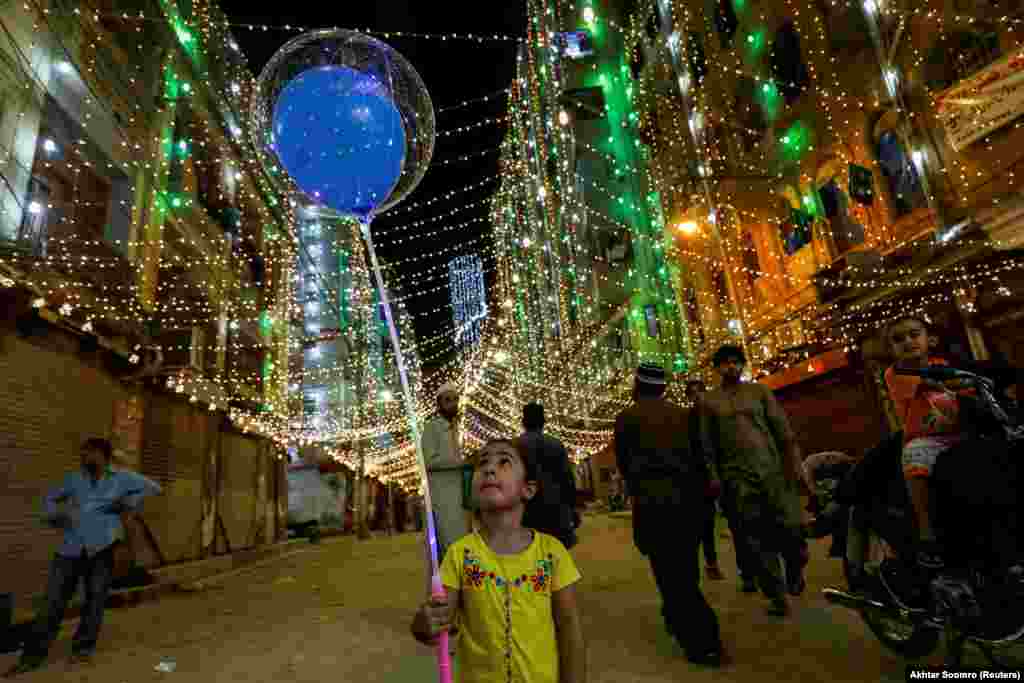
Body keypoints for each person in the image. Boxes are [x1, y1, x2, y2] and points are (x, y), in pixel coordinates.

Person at [411, 439, 586, 683]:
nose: (489, 469)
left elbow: (568, 628)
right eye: (482, 463)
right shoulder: (460, 554)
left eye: (504, 462)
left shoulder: (552, 553)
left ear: (528, 489)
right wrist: (424, 624)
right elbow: (440, 620)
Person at [5, 438, 162, 677]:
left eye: (90, 454)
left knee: (95, 601)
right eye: (83, 454)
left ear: (103, 455)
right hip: (70, 549)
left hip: (102, 549)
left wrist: (127, 504)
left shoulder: (122, 478)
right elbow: (50, 497)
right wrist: (55, 515)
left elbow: (154, 487)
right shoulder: (73, 479)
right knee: (52, 604)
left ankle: (83, 648)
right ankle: (33, 656)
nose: (85, 458)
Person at [615, 363, 723, 666]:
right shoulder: (684, 415)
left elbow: (624, 465)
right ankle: (678, 620)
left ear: (637, 385)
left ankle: (703, 640)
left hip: (654, 506)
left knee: (671, 576)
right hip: (689, 503)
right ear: (663, 387)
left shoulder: (626, 418)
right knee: (685, 571)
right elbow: (702, 456)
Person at [699, 345, 813, 617]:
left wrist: (795, 465)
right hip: (737, 478)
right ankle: (776, 595)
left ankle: (795, 569)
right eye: (725, 364)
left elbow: (782, 431)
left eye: (736, 362)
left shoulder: (760, 392)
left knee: (792, 529)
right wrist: (713, 476)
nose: (731, 368)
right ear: (716, 369)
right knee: (756, 539)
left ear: (742, 365)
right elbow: (707, 444)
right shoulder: (708, 402)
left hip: (773, 472)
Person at [883, 316, 970, 601]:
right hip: (925, 438)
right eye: (898, 339)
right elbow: (920, 385)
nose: (908, 341)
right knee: (915, 457)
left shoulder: (944, 366)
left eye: (914, 334)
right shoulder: (895, 374)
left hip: (959, 435)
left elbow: (966, 390)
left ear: (929, 339)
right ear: (892, 349)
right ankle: (927, 533)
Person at [422, 383, 473, 563]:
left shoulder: (456, 428)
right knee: (447, 544)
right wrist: (460, 464)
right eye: (447, 400)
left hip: (458, 495)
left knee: (462, 544)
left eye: (455, 400)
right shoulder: (431, 428)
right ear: (439, 404)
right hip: (441, 496)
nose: (452, 404)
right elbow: (428, 462)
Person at [521, 402, 580, 550]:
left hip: (527, 514)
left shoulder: (515, 447)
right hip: (556, 513)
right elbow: (567, 480)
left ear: (523, 422)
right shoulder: (555, 444)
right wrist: (573, 509)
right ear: (543, 422)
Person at [686, 380, 724, 582]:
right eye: (693, 393)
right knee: (705, 523)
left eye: (700, 391)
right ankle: (711, 563)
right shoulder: (688, 419)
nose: (698, 396)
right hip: (700, 479)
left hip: (725, 472)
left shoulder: (716, 413)